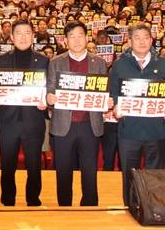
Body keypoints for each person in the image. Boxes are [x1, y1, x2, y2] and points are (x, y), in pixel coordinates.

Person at [109, 22, 165, 205]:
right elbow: (113, 92)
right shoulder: (120, 65)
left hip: (156, 130)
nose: (142, 42)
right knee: (130, 172)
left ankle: (154, 207)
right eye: (137, 38)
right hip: (129, 130)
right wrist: (115, 106)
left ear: (152, 40)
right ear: (130, 41)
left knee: (155, 173)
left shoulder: (162, 64)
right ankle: (131, 206)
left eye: (146, 38)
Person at [46, 20, 106, 206]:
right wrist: (49, 97)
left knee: (89, 172)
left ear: (87, 38)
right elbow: (50, 88)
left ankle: (89, 207)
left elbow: (103, 92)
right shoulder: (56, 62)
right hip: (64, 125)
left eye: (80, 35)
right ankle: (64, 208)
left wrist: (107, 100)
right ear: (65, 40)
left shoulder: (100, 63)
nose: (77, 40)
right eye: (72, 36)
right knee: (63, 171)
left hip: (90, 125)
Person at [0, 20, 49, 207]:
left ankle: (33, 199)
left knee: (34, 166)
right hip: (9, 121)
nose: (23, 37)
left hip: (34, 121)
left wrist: (45, 101)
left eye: (27, 33)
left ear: (33, 36)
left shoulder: (43, 60)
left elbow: (48, 89)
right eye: (19, 33)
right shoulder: (2, 59)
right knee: (7, 165)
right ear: (11, 37)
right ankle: (7, 199)